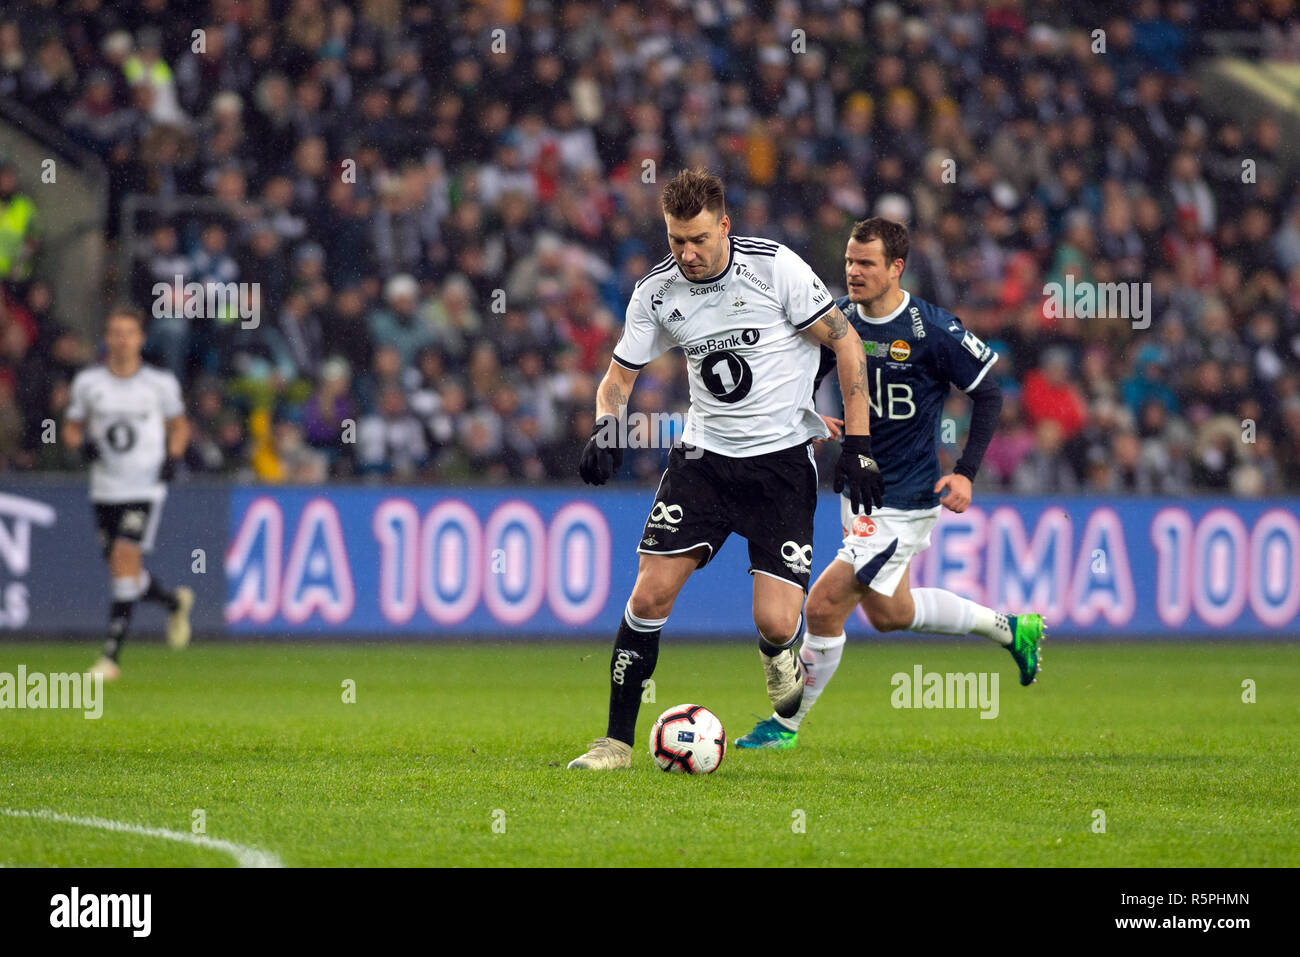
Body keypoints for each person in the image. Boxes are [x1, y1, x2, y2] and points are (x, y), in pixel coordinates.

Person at [567, 168, 883, 770]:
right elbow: (618, 380)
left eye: (699, 240)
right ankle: (614, 744)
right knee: (650, 594)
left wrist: (860, 443)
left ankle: (778, 650)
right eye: (676, 240)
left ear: (725, 227)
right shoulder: (656, 292)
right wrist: (606, 431)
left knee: (773, 618)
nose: (687, 253)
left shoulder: (775, 269)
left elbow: (843, 340)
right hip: (702, 462)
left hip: (782, 466)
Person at [735, 217, 1044, 750]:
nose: (853, 272)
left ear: (896, 268)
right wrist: (807, 416)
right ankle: (1012, 629)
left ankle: (784, 726)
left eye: (866, 264)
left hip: (903, 500)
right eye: (850, 262)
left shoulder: (933, 329)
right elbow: (811, 374)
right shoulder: (840, 320)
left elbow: (989, 394)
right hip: (858, 491)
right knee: (889, 613)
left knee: (823, 605)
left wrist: (966, 473)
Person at [63, 305, 194, 680]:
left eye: (128, 333)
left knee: (124, 555)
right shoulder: (89, 384)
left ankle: (111, 658)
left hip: (144, 487)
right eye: (115, 332)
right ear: (107, 338)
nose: (121, 340)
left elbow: (179, 426)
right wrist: (80, 446)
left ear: (140, 339)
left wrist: (174, 456)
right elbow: (71, 428)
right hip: (105, 488)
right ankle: (172, 602)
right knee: (124, 573)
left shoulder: (159, 383)